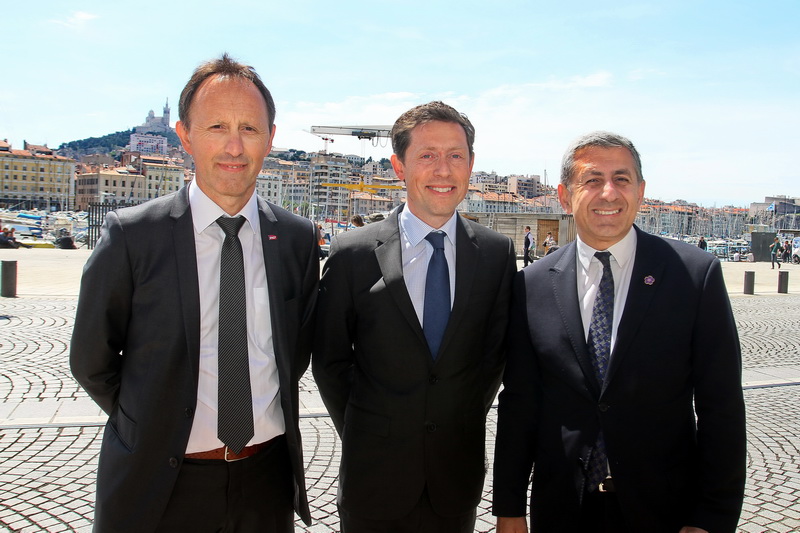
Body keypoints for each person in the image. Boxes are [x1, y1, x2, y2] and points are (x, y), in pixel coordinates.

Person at [70, 54, 317, 533]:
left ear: (270, 138)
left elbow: (296, 350)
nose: (233, 145)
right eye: (216, 126)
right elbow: (91, 359)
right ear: (184, 135)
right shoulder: (132, 236)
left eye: (249, 127)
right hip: (161, 484)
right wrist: (153, 421)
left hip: (266, 483)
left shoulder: (298, 238)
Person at [493, 131, 746, 533]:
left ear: (641, 191)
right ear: (564, 195)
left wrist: (711, 518)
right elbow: (521, 403)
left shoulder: (694, 276)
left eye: (622, 179)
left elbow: (722, 406)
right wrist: (509, 507)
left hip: (664, 511)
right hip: (562, 510)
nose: (608, 193)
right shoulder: (531, 285)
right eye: (592, 180)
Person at [313, 101, 516, 532]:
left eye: (455, 155)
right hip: (373, 480)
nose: (443, 170)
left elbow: (493, 359)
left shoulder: (497, 255)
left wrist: (455, 419)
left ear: (472, 164)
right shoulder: (352, 253)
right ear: (398, 166)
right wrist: (368, 430)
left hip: (455, 482)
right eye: (427, 155)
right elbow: (330, 361)